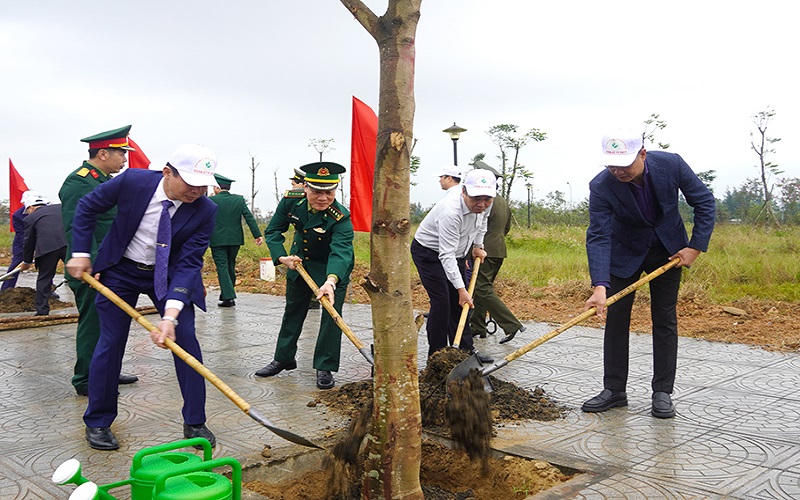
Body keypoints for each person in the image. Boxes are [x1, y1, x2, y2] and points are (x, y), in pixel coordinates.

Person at [66, 144, 219, 450]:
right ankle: (98, 420)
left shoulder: (205, 210)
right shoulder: (133, 181)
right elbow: (86, 208)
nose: (197, 191)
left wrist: (170, 317)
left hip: (168, 274)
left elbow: (189, 262)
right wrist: (82, 252)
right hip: (120, 269)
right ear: (167, 173)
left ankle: (195, 421)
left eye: (203, 185)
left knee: (185, 339)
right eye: (190, 182)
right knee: (109, 343)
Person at [582, 132, 715, 419]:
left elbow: (704, 202)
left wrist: (695, 247)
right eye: (611, 166)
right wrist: (600, 285)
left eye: (624, 165)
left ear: (642, 154)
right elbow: (598, 235)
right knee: (616, 319)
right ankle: (615, 390)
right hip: (624, 252)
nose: (617, 172)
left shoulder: (671, 165)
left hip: (669, 251)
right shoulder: (601, 185)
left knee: (664, 318)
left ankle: (662, 392)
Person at [255, 162, 354, 390]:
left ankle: (325, 366)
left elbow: (341, 251)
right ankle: (283, 358)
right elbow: (273, 231)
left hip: (331, 269)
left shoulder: (340, 217)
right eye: (317, 191)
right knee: (293, 310)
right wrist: (282, 258)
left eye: (329, 192)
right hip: (298, 263)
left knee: (331, 317)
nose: (323, 198)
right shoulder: (292, 200)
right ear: (305, 188)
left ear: (335, 191)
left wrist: (331, 281)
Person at [59, 125, 138, 396]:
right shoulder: (79, 181)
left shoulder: (105, 182)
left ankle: (107, 372)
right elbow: (77, 226)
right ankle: (85, 380)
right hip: (92, 269)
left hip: (111, 266)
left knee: (112, 324)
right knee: (93, 325)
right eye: (121, 154)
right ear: (103, 154)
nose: (125, 159)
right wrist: (90, 264)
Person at [411, 168, 496, 362]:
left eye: (487, 199)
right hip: (429, 253)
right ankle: (437, 357)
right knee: (442, 303)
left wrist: (477, 246)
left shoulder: (486, 201)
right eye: (476, 199)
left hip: (457, 252)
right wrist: (461, 289)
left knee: (461, 305)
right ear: (464, 191)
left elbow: (482, 223)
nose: (481, 204)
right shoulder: (450, 211)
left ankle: (466, 352)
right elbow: (446, 255)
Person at [468, 161, 525, 343]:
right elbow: (506, 227)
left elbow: (476, 226)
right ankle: (478, 327)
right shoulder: (502, 201)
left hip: (485, 250)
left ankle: (512, 324)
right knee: (481, 290)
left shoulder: (484, 202)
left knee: (481, 288)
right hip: (499, 249)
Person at [208, 173, 263, 307]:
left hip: (217, 240)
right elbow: (249, 217)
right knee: (230, 265)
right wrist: (257, 235)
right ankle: (227, 295)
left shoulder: (211, 201)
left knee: (222, 267)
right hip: (235, 239)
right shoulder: (239, 200)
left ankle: (228, 297)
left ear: (216, 187)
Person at [20, 195, 67, 315]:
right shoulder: (61, 208)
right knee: (78, 275)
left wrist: (26, 261)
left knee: (44, 278)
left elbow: (28, 242)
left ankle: (42, 311)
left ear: (30, 207)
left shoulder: (30, 218)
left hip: (47, 248)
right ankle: (88, 307)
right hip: (69, 243)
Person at [1, 190, 34, 291]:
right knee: (16, 265)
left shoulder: (45, 211)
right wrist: (28, 251)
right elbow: (22, 235)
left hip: (43, 240)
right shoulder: (18, 215)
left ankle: (48, 290)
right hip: (22, 243)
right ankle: (6, 289)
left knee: (45, 264)